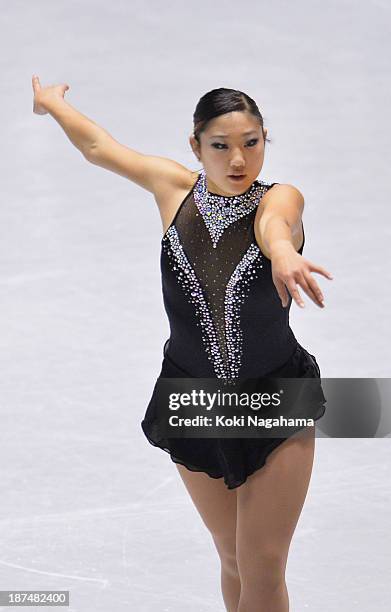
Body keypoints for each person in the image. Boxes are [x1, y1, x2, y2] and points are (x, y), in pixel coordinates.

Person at [32, 76, 333, 612]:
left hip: (272, 399)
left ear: (266, 138)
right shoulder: (173, 189)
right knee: (233, 558)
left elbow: (276, 224)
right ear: (195, 146)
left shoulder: (281, 196)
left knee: (262, 564)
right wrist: (53, 103)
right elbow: (101, 147)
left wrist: (284, 253)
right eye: (220, 146)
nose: (238, 160)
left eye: (251, 143)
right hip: (192, 399)